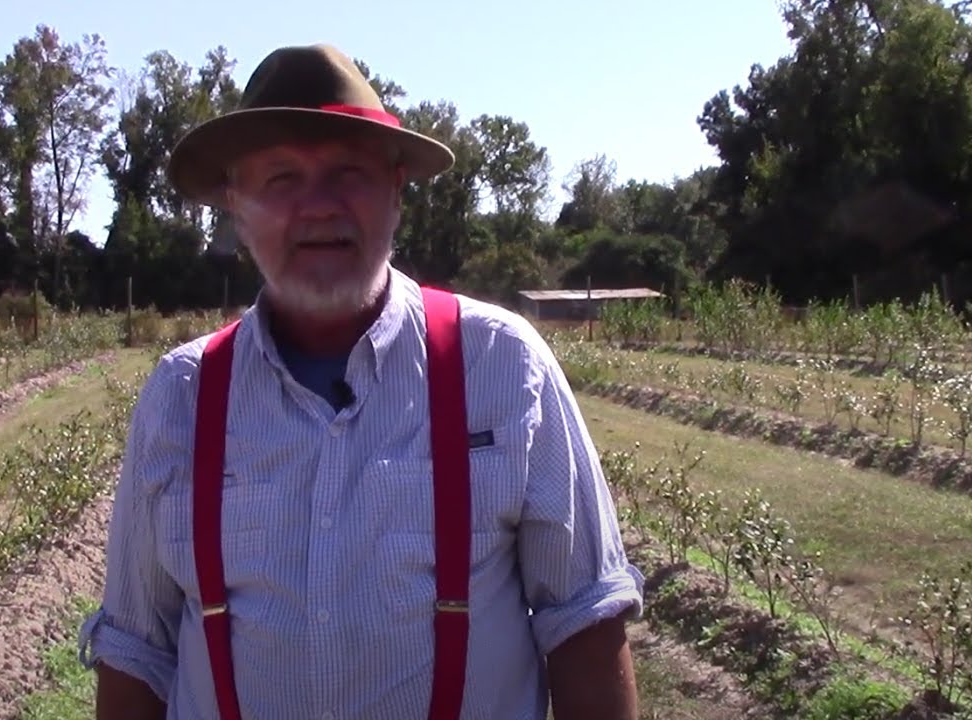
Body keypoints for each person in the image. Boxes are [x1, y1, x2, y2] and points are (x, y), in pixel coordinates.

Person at [78, 43, 645, 720]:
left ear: (396, 190)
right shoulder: (182, 396)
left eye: (349, 172)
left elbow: (584, 622)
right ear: (236, 205)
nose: (319, 206)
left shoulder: (502, 366)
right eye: (281, 178)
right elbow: (137, 652)